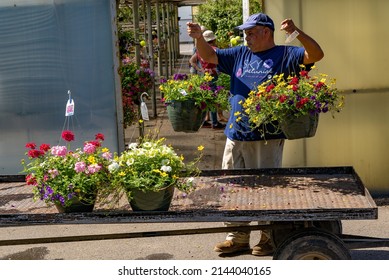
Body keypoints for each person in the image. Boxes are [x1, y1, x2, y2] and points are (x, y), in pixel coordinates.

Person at [187, 13, 324, 256]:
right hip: (235, 133)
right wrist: (199, 38)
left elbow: (316, 55)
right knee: (231, 187)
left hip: (266, 136)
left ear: (266, 32)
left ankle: (268, 236)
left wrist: (297, 33)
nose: (246, 37)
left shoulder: (285, 54)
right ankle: (237, 236)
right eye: (245, 33)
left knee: (265, 189)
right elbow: (208, 55)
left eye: (251, 32)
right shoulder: (239, 53)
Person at [189, 30, 226, 130]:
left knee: (205, 99)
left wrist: (200, 69)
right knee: (213, 99)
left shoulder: (200, 50)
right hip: (213, 75)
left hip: (204, 75)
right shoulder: (214, 50)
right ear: (213, 39)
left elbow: (192, 61)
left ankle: (204, 121)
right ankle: (214, 123)